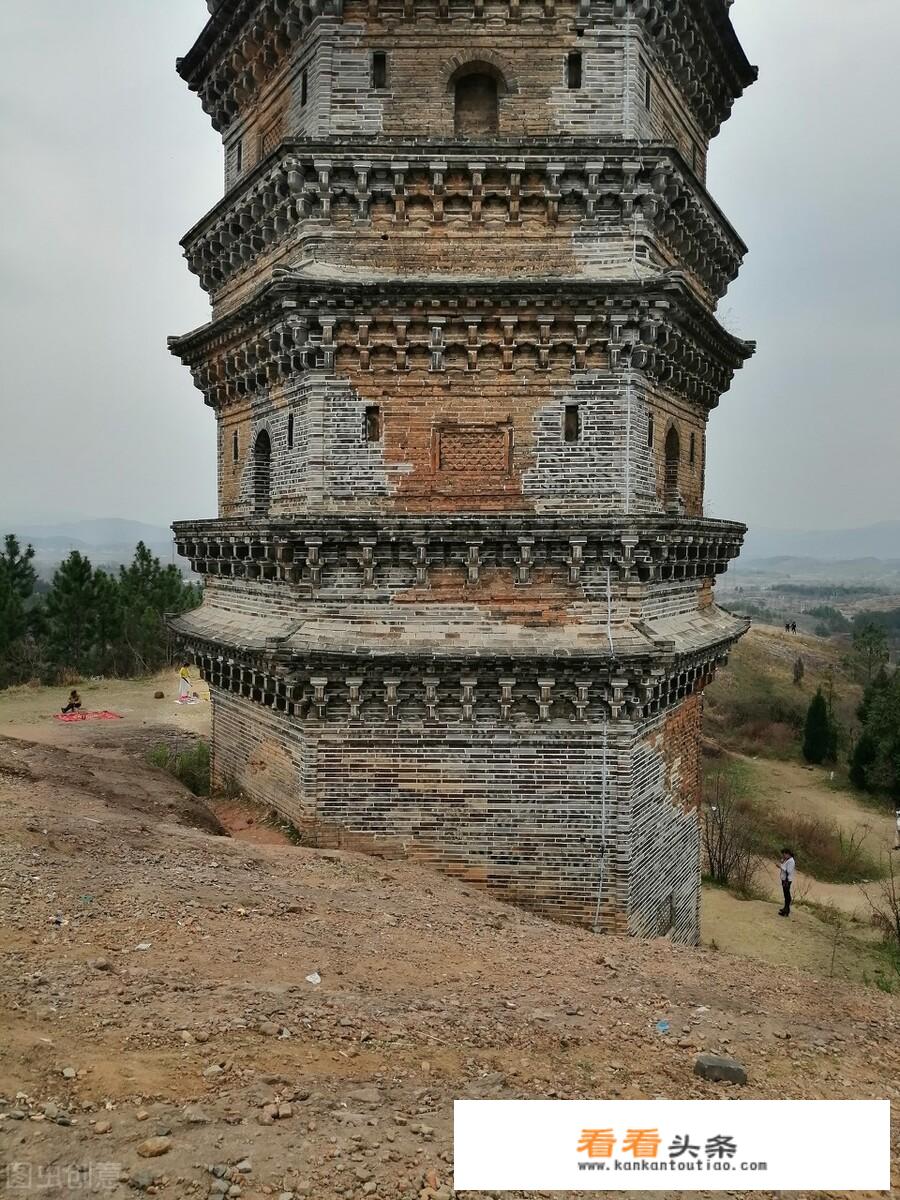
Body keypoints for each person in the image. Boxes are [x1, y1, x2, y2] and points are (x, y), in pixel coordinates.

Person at [778, 848, 795, 917]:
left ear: (788, 854)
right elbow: (785, 866)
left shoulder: (791, 861)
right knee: (786, 895)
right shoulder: (787, 860)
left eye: (784, 854)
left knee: (787, 895)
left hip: (787, 880)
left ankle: (786, 911)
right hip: (785, 879)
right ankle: (785, 908)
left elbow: (789, 871)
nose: (783, 856)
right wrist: (782, 862)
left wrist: (780, 866)